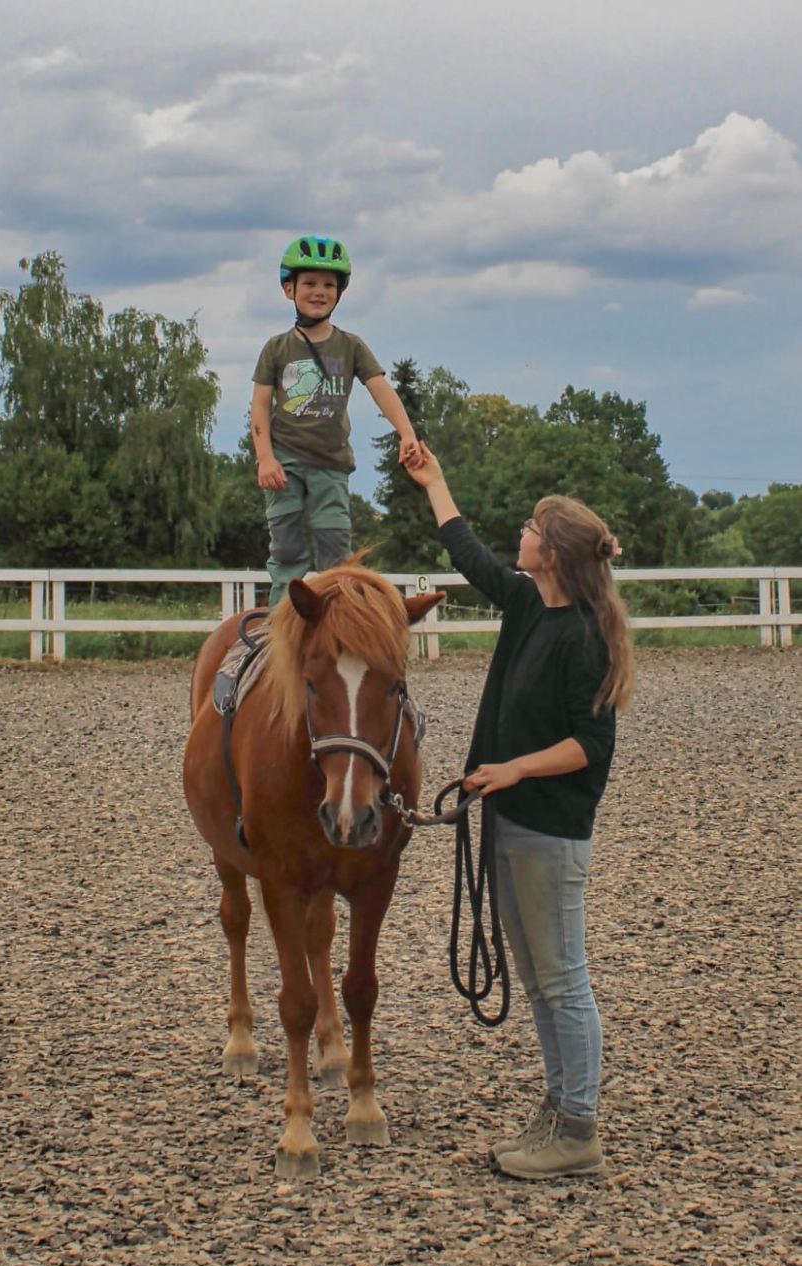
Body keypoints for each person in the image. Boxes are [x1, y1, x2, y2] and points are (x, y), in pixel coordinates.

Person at [406, 443, 634, 1180]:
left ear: (554, 553)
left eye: (533, 529)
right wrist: (434, 480)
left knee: (562, 978)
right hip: (512, 823)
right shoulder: (531, 604)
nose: (522, 536)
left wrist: (510, 769)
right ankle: (563, 1107)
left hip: (547, 830)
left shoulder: (582, 640)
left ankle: (577, 1129)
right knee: (540, 980)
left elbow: (588, 746)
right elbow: (469, 554)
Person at [251, 235, 422, 607]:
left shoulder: (350, 346)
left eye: (329, 285)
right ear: (288, 289)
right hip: (285, 463)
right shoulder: (277, 348)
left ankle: (339, 620)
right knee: (287, 551)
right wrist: (265, 458)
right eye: (309, 283)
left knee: (336, 554)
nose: (319, 291)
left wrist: (407, 433)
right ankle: (278, 627)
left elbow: (381, 388)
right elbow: (260, 406)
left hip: (331, 464)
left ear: (339, 293)